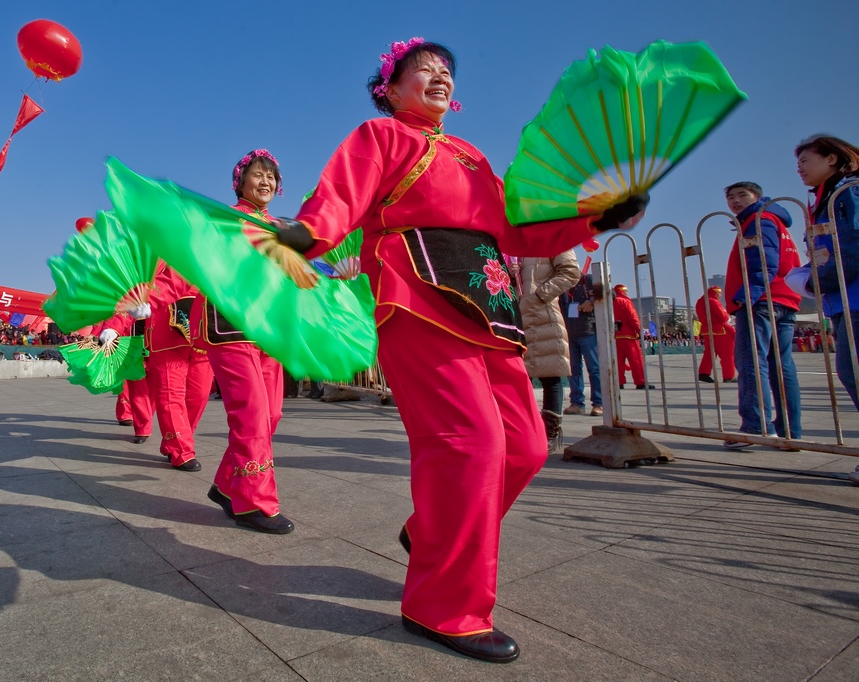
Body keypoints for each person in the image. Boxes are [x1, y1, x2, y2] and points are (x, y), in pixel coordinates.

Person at [275, 39, 647, 662]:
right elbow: (340, 195)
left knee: (526, 447)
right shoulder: (381, 135)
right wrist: (308, 233)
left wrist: (598, 217)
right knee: (468, 443)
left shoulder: (473, 156)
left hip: (488, 304)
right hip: (416, 293)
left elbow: (519, 229)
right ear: (390, 90)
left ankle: (428, 534)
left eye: (446, 71)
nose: (439, 77)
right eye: (423, 70)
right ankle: (443, 605)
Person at [194, 149, 294, 535]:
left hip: (269, 332)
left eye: (272, 176)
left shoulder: (280, 226)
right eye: (258, 174)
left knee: (270, 415)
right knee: (251, 413)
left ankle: (226, 486)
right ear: (241, 181)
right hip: (231, 327)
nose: (266, 181)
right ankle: (254, 502)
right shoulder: (225, 220)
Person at [723, 181, 802, 448]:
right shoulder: (773, 220)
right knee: (782, 366)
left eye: (742, 195)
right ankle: (789, 429)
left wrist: (747, 297)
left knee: (751, 363)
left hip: (762, 301)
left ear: (757, 197)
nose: (735, 201)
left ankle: (756, 426)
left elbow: (764, 262)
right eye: (730, 197)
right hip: (784, 299)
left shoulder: (759, 220)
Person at [795, 134, 859, 410]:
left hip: (853, 294)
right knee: (850, 372)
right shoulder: (825, 200)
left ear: (832, 159)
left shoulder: (849, 193)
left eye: (805, 160)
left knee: (852, 371)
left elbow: (853, 245)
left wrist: (817, 281)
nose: (799, 168)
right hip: (841, 300)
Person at [142, 262, 214, 471]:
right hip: (166, 325)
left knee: (199, 394)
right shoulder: (150, 246)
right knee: (170, 392)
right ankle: (180, 449)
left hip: (202, 326)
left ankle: (176, 439)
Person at [514, 250, 580, 453]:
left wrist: (540, 295)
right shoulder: (517, 247)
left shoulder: (553, 242)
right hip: (518, 318)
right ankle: (527, 432)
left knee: (550, 375)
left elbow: (571, 272)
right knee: (518, 376)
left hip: (543, 315)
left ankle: (550, 433)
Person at [560, 273, 604, 416]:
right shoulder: (563, 284)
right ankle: (577, 403)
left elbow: (611, 294)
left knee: (594, 368)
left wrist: (592, 301)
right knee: (573, 370)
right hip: (569, 333)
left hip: (588, 331)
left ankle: (599, 403)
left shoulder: (589, 280)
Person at [695, 285, 736, 383]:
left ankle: (703, 373)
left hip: (706, 330)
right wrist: (728, 316)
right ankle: (728, 376)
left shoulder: (700, 302)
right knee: (727, 353)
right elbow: (723, 317)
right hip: (719, 330)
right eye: (719, 293)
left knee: (710, 352)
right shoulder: (713, 301)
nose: (720, 295)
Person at [612, 285, 651, 389]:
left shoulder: (610, 303)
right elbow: (633, 318)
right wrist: (640, 331)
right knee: (636, 360)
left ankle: (619, 382)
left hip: (615, 336)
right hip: (629, 336)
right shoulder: (625, 302)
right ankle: (640, 382)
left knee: (618, 362)